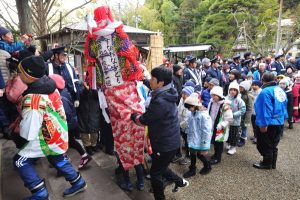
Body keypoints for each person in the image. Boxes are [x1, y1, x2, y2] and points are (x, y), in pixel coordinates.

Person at [14, 56, 86, 199]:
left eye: (20, 72)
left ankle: (39, 192)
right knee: (57, 158)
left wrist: (17, 130)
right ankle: (78, 182)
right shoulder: (50, 85)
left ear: (28, 75)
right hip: (58, 132)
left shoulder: (33, 99)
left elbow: (28, 132)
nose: (18, 75)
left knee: (20, 161)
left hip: (46, 137)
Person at [131, 67, 189, 200]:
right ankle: (179, 182)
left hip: (165, 144)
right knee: (160, 167)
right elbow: (147, 83)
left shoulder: (160, 101)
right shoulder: (168, 91)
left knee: (155, 173)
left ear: (161, 82)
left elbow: (145, 119)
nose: (150, 81)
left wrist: (134, 116)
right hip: (168, 141)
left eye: (153, 79)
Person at [49, 74, 92, 170]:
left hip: (67, 124)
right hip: (70, 122)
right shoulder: (62, 91)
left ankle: (64, 163)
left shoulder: (61, 96)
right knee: (70, 141)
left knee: (62, 142)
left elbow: (67, 113)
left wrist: (61, 125)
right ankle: (84, 156)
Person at [253, 72, 287, 169]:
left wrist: (263, 124)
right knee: (273, 143)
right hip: (279, 121)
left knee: (264, 144)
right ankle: (272, 163)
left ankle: (267, 163)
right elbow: (284, 105)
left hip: (270, 123)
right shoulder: (280, 90)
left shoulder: (265, 92)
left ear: (263, 80)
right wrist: (283, 118)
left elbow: (264, 109)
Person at [182, 93, 212, 178]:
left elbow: (207, 131)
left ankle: (207, 166)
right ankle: (192, 169)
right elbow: (187, 122)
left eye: (189, 107)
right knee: (192, 154)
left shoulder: (204, 116)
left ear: (194, 106)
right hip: (192, 138)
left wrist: (205, 144)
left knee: (200, 154)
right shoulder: (192, 113)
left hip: (200, 139)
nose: (188, 109)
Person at [208, 86, 233, 165]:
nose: (212, 97)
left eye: (214, 95)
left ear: (219, 95)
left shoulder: (225, 105)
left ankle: (218, 158)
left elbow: (229, 118)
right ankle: (215, 154)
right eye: (212, 95)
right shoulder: (211, 102)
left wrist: (222, 125)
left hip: (220, 127)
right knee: (215, 142)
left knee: (219, 143)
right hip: (212, 125)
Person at [174, 86, 194, 165]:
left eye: (186, 94)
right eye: (183, 93)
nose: (183, 95)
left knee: (187, 142)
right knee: (178, 139)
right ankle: (178, 154)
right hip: (179, 123)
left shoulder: (191, 103)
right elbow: (178, 110)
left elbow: (188, 118)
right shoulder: (182, 100)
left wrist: (180, 125)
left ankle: (188, 157)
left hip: (187, 127)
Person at [226, 81, 246, 155]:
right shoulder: (226, 98)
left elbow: (243, 110)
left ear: (237, 91)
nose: (232, 91)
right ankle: (228, 143)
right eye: (231, 90)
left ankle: (233, 147)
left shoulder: (239, 100)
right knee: (228, 133)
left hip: (235, 121)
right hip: (227, 120)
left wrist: (233, 114)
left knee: (234, 134)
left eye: (234, 90)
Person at [238, 81, 253, 147]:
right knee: (239, 127)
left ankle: (242, 140)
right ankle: (238, 138)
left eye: (241, 87)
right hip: (240, 114)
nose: (240, 88)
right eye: (240, 87)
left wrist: (247, 119)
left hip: (245, 116)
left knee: (244, 128)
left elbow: (249, 108)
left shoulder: (248, 96)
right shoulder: (240, 94)